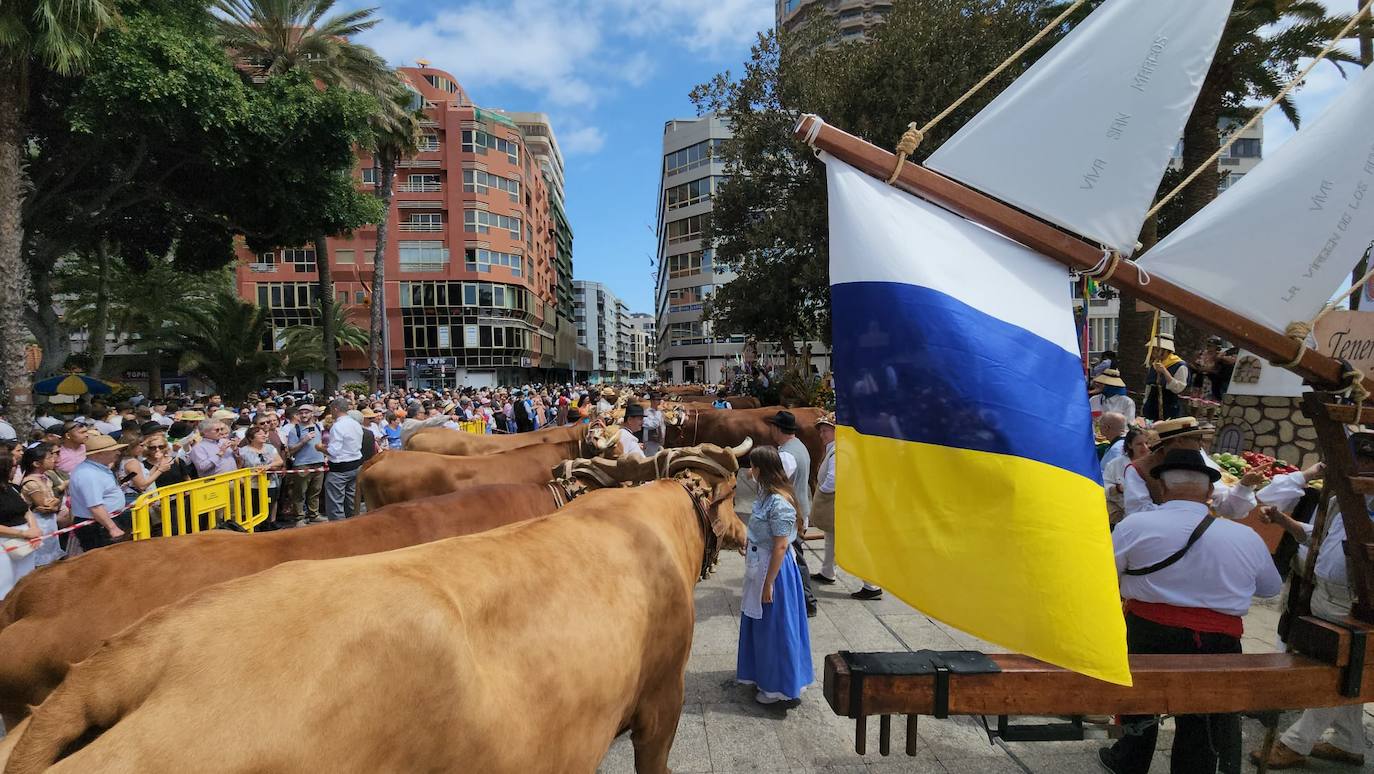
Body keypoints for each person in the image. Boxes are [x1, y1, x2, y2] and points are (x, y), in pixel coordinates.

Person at [1098, 448, 1282, 774]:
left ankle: (1128, 762)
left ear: (1162, 487)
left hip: (1148, 633)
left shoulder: (1134, 526)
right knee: (1202, 718)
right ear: (1209, 490)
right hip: (1218, 642)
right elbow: (1270, 588)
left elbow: (1103, 576)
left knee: (1139, 704)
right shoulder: (1245, 536)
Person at [1248, 443, 1365, 769]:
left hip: (1356, 601)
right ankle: (1349, 742)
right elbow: (1317, 536)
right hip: (1323, 593)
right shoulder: (1341, 500)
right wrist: (1283, 520)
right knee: (1353, 667)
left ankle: (1295, 742)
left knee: (1335, 672)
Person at [736, 445, 814, 704]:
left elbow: (780, 545)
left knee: (775, 627)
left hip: (775, 571)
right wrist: (750, 542)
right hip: (761, 563)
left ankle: (777, 687)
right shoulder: (766, 495)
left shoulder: (779, 502)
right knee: (761, 625)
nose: (750, 471)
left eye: (752, 466)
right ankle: (761, 674)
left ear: (761, 469)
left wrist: (769, 583)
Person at [1122, 416, 1262, 519]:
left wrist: (1244, 486)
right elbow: (1137, 511)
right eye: (1197, 439)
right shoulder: (1138, 469)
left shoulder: (1201, 461)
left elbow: (1228, 508)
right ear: (1179, 441)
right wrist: (1189, 512)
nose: (1201, 444)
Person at [765, 410, 817, 616]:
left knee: (795, 559)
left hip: (791, 514)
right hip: (798, 509)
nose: (770, 430)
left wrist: (756, 472)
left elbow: (773, 482)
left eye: (772, 426)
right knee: (794, 557)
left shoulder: (786, 455)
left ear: (778, 429)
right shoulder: (799, 446)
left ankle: (808, 602)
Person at [68, 433, 131, 549]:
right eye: (113, 450)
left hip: (104, 522)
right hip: (99, 527)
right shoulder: (89, 474)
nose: (118, 453)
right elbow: (95, 506)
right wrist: (112, 528)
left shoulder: (96, 469)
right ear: (99, 454)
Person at [0, 449, 41, 600]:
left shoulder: (12, 488)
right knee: (4, 586)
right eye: (13, 466)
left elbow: (26, 510)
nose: (16, 469)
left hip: (24, 543)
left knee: (24, 582)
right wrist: (23, 533)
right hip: (4, 543)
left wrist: (34, 528)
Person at [19, 443, 66, 566]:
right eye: (49, 458)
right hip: (39, 522)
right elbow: (44, 506)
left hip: (49, 521)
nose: (53, 460)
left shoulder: (45, 478)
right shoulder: (32, 483)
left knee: (51, 550)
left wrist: (55, 502)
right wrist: (54, 504)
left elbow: (53, 500)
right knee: (43, 554)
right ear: (36, 463)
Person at [320, 398, 362, 521]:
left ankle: (337, 528)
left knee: (335, 504)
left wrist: (320, 448)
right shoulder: (355, 423)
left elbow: (334, 451)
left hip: (340, 469)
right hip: (355, 465)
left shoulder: (338, 426)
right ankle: (352, 524)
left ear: (335, 409)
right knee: (351, 501)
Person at [1103, 427, 1153, 527]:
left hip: (1149, 517)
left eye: (1147, 443)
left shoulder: (1154, 463)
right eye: (1139, 444)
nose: (1145, 447)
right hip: (1121, 518)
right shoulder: (1115, 465)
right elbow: (1102, 491)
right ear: (1130, 445)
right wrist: (1117, 489)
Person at [238, 425, 285, 529]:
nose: (263, 435)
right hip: (252, 485)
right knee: (254, 508)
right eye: (259, 434)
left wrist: (269, 466)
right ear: (251, 438)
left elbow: (279, 461)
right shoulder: (243, 451)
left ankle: (268, 526)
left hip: (270, 483)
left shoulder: (270, 448)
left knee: (269, 506)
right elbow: (239, 468)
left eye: (264, 433)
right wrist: (243, 482)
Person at [287, 406, 326, 524]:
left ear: (312, 414)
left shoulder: (318, 426)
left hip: (318, 463)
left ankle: (314, 514)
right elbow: (291, 450)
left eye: (306, 413)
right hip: (302, 465)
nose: (304, 415)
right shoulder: (294, 430)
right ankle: (299, 517)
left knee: (315, 491)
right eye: (301, 413)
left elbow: (321, 443)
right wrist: (303, 441)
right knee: (299, 493)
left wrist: (325, 455)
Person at [1142, 333, 1188, 421]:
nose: (1153, 352)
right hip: (1152, 404)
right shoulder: (1154, 364)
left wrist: (1165, 372)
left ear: (1166, 351)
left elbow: (1178, 388)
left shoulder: (1179, 365)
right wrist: (1145, 402)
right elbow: (1149, 385)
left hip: (1169, 404)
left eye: (1156, 349)